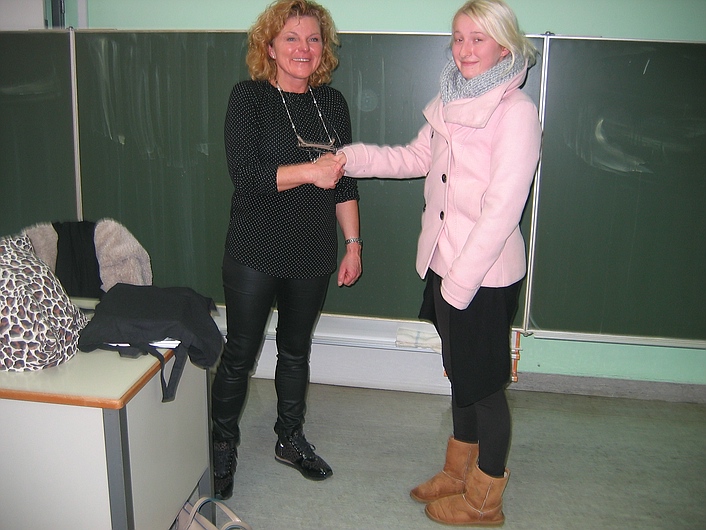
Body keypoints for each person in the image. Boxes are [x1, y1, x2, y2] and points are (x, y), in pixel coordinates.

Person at [337, 0, 541, 525]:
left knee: (485, 386)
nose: (465, 49)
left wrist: (460, 285)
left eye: (478, 38)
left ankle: (485, 500)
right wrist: (349, 158)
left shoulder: (515, 112)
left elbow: (502, 210)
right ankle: (457, 470)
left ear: (504, 46)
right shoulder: (450, 100)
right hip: (443, 263)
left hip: (482, 275)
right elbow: (413, 158)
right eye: (458, 38)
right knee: (460, 374)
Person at [210, 0, 362, 500]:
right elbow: (247, 176)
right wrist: (311, 171)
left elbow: (344, 183)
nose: (303, 48)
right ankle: (221, 445)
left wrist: (353, 244)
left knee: (296, 351)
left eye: (313, 39)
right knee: (240, 353)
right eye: (291, 38)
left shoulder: (332, 104)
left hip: (312, 249)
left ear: (323, 49)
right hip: (254, 247)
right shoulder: (249, 98)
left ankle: (289, 439)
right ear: (270, 47)